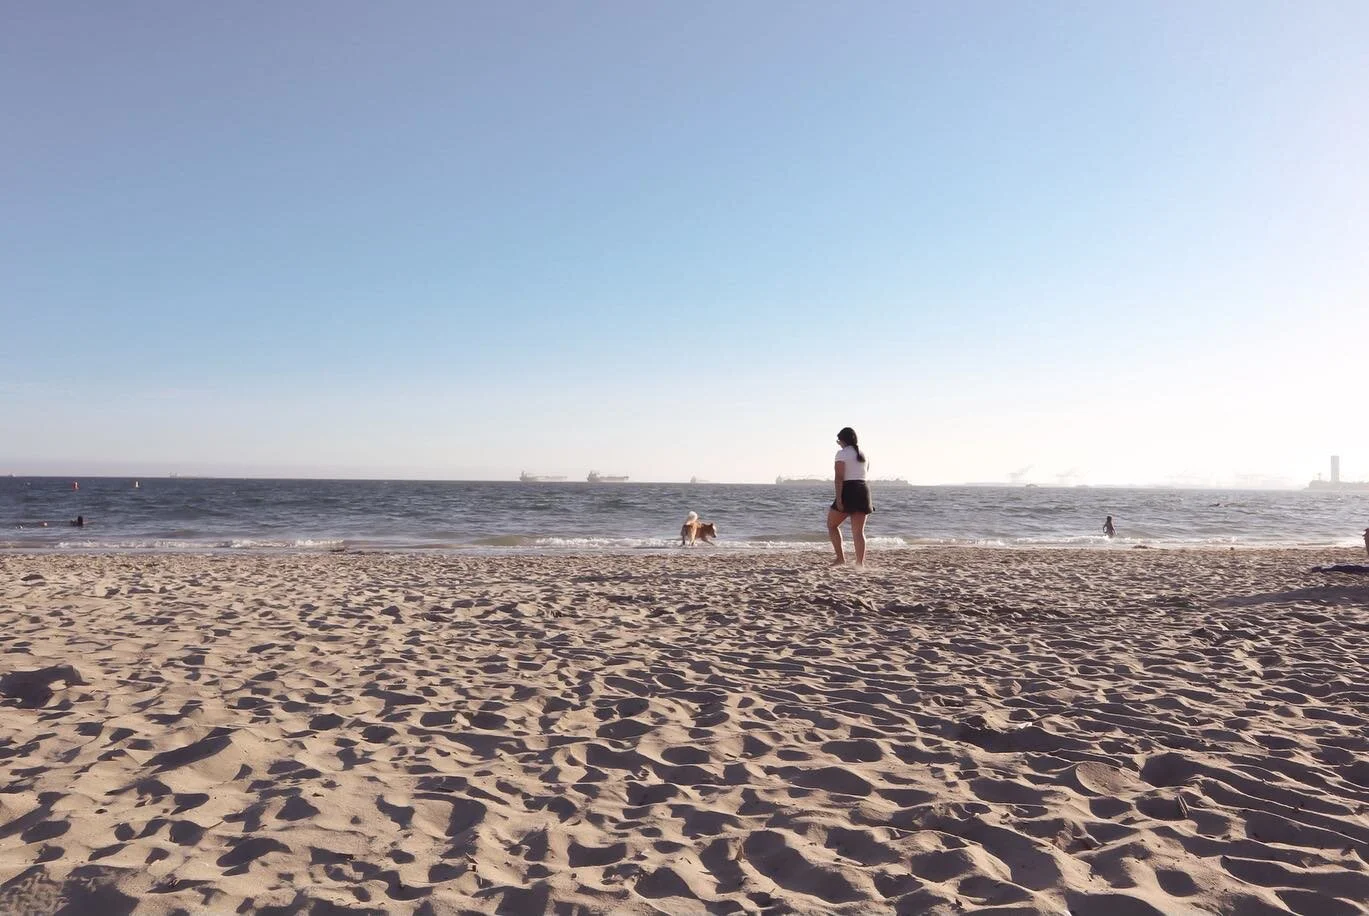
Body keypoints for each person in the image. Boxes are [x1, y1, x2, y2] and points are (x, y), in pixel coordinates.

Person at [827, 427, 873, 566]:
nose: (838, 443)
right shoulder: (864, 454)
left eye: (838, 441)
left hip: (849, 489)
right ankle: (860, 563)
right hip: (863, 490)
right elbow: (864, 473)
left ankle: (840, 558)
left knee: (832, 525)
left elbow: (839, 478)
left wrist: (840, 500)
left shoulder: (842, 454)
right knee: (858, 532)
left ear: (843, 440)